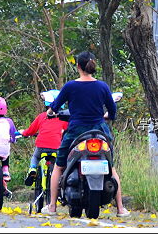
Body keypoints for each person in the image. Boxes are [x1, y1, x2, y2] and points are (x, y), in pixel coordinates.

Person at [44, 52, 130, 217]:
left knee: (59, 166)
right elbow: (112, 111)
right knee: (111, 169)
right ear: (92, 66)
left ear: (78, 66)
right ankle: (120, 208)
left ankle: (52, 206)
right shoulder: (103, 87)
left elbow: (55, 106)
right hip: (99, 130)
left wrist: (50, 111)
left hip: (76, 131)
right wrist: (107, 116)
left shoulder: (70, 86)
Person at [21, 89, 69, 186]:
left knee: (35, 156)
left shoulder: (42, 116)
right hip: (57, 147)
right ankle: (60, 180)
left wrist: (23, 133)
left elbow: (30, 131)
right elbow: (68, 130)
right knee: (59, 165)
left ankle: (33, 169)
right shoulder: (64, 118)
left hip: (41, 146)